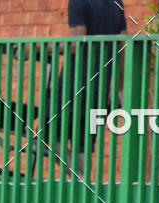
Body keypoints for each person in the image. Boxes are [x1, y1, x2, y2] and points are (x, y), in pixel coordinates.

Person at [52, 0, 127, 170]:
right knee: (83, 143)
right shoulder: (117, 3)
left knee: (48, 135)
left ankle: (80, 180)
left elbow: (76, 44)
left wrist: (37, 49)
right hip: (101, 85)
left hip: (74, 82)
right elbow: (122, 48)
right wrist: (118, 88)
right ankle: (82, 186)